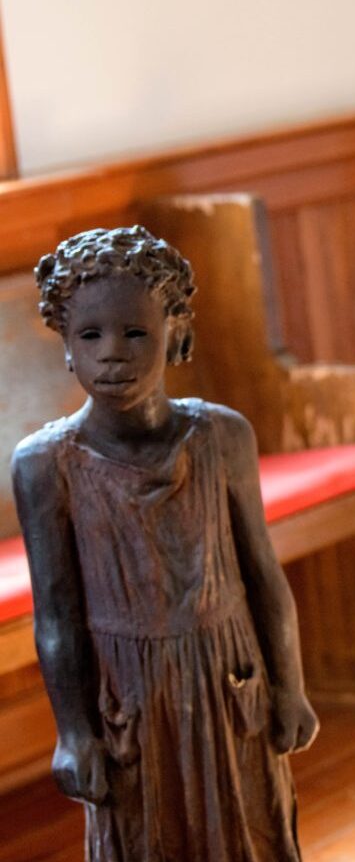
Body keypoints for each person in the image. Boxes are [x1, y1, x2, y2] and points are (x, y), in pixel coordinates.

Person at [12, 226, 317, 860]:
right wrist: (72, 733)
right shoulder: (46, 465)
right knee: (145, 836)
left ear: (175, 334)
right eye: (89, 336)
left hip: (227, 676)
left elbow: (263, 573)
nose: (112, 356)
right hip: (128, 695)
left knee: (249, 828)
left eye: (135, 334)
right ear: (66, 348)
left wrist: (289, 687)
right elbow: (57, 616)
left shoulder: (221, 437)